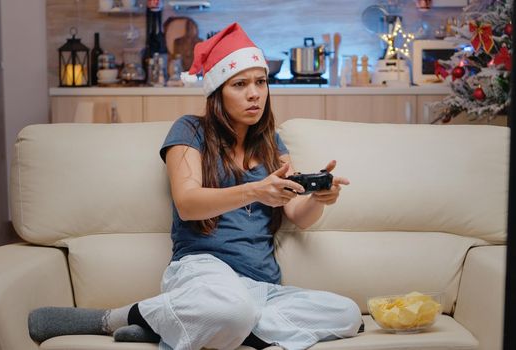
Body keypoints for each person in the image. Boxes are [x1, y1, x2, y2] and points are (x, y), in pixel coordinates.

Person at [28, 22, 362, 350]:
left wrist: (320, 198)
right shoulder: (190, 131)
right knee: (231, 310)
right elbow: (188, 202)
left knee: (346, 314)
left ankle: (177, 327)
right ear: (218, 91)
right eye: (240, 84)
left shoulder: (272, 144)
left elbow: (298, 214)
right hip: (202, 271)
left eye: (261, 82)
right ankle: (119, 317)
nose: (254, 94)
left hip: (260, 285)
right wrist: (256, 190)